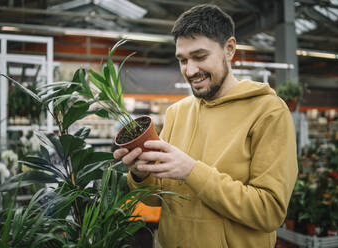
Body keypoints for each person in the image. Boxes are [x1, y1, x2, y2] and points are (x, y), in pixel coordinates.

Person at [113, 4, 298, 248]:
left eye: (200, 57)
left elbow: (269, 211)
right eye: (182, 60)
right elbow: (157, 203)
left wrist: (191, 171)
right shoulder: (177, 113)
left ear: (229, 49)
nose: (190, 71)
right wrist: (140, 174)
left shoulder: (268, 112)